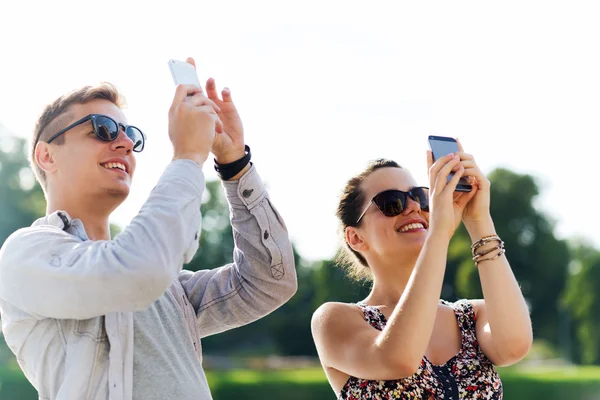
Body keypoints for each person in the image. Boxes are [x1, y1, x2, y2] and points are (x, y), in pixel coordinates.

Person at [0, 58, 297, 400]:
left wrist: (235, 164)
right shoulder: (26, 254)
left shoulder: (167, 287)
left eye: (131, 135)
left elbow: (270, 281)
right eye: (103, 129)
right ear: (46, 156)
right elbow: (135, 271)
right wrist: (187, 156)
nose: (125, 143)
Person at [311, 145, 532, 399]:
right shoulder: (334, 320)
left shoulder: (474, 316)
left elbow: (514, 347)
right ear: (356, 238)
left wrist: (478, 220)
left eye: (420, 196)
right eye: (392, 203)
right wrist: (439, 232)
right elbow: (398, 358)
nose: (414, 207)